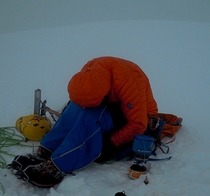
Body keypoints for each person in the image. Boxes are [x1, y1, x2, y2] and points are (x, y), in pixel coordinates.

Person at [30, 56, 158, 187]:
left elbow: (138, 124)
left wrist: (112, 143)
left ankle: (60, 163)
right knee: (75, 108)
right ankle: (48, 147)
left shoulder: (128, 81)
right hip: (115, 101)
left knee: (90, 117)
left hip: (139, 115)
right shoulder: (90, 69)